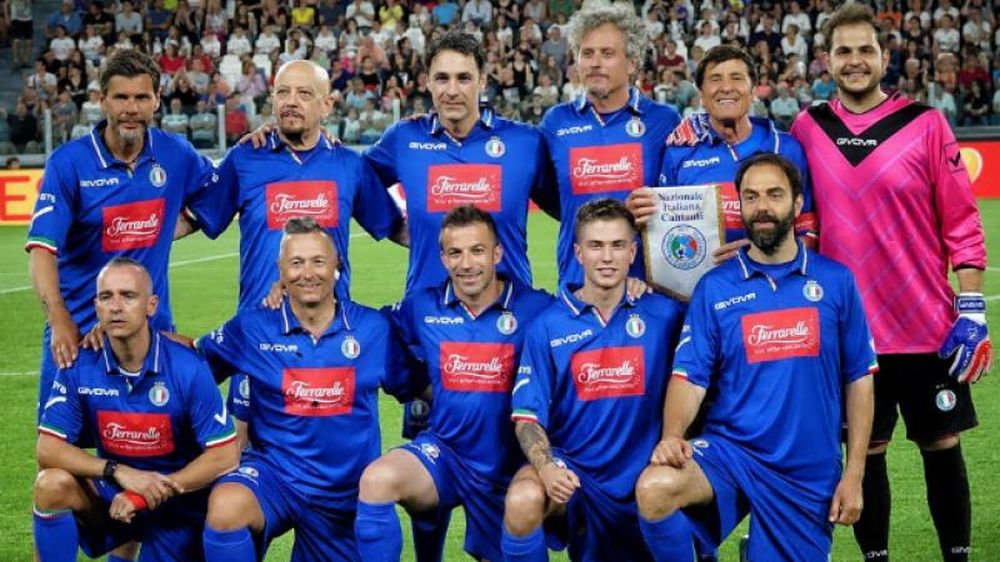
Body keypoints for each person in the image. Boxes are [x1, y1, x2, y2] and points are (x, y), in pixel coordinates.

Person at [789, 6, 991, 562]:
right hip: (849, 334)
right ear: (826, 60)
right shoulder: (807, 128)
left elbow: (963, 223)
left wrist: (971, 308)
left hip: (927, 326)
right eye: (844, 52)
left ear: (884, 57)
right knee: (866, 453)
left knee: (942, 446)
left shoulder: (926, 124)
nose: (855, 62)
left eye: (865, 51)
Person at [632, 154, 876, 562]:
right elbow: (689, 377)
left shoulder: (835, 282)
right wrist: (672, 434)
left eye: (774, 195)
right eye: (751, 196)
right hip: (733, 451)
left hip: (805, 468)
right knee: (655, 488)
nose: (762, 207)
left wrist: (854, 475)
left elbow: (859, 380)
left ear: (797, 204)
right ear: (740, 205)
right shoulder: (715, 287)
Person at [189, 58, 408, 454]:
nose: (291, 102)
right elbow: (195, 217)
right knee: (237, 473)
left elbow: (395, 228)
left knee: (334, 468)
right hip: (258, 343)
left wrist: (464, 249)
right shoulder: (246, 159)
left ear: (327, 105)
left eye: (304, 94)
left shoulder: (348, 165)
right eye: (282, 93)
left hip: (328, 346)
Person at [195, 218, 414, 561]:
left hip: (344, 492)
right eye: (296, 263)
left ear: (337, 265)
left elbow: (416, 387)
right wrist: (130, 338)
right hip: (275, 478)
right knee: (227, 507)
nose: (307, 273)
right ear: (280, 270)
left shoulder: (373, 328)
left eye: (318, 261)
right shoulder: (252, 327)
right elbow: (190, 365)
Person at [25, 48, 219, 427]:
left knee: (160, 446)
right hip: (79, 336)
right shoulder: (69, 163)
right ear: (102, 101)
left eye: (142, 97)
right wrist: (60, 318)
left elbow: (219, 191)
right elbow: (41, 250)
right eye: (121, 97)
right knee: (60, 463)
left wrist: (169, 228)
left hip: (152, 334)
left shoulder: (175, 153)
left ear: (157, 101)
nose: (131, 108)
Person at [354, 205, 553, 561]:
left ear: (497, 253)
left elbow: (585, 316)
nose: (466, 264)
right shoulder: (423, 306)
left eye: (477, 251)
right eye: (455, 253)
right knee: (377, 480)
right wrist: (412, 385)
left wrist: (632, 288)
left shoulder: (535, 307)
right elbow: (370, 325)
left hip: (508, 464)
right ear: (443, 258)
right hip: (446, 453)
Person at [501, 199, 685, 561]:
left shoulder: (664, 315)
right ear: (578, 253)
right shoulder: (547, 326)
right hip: (576, 474)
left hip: (644, 473)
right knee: (523, 498)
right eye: (595, 245)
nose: (607, 257)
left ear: (633, 252)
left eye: (618, 245)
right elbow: (527, 416)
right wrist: (546, 467)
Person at [33, 258, 239, 562]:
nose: (116, 306)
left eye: (128, 296)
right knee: (51, 484)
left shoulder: (188, 367)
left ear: (151, 305)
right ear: (97, 306)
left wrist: (148, 492)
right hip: (113, 495)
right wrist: (117, 472)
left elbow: (225, 456)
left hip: (176, 502)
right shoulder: (79, 366)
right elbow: (47, 449)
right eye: (106, 297)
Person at [364, 31, 558, 296]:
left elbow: (570, 208)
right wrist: (393, 226)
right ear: (429, 83)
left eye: (464, 78)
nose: (452, 91)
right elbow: (354, 179)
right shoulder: (404, 138)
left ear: (482, 82)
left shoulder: (525, 142)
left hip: (510, 316)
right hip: (428, 319)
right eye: (442, 78)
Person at [539, 0, 680, 286]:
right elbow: (549, 196)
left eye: (607, 53)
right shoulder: (556, 122)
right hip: (577, 287)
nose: (595, 62)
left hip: (645, 291)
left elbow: (679, 201)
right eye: (586, 53)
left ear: (631, 63)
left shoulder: (663, 121)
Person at [626, 45, 816, 252]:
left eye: (737, 78)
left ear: (753, 90)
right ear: (701, 93)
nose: (726, 87)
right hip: (700, 282)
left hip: (776, 282)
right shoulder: (679, 152)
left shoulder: (787, 148)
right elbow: (664, 232)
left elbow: (807, 229)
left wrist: (758, 259)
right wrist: (638, 214)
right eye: (715, 79)